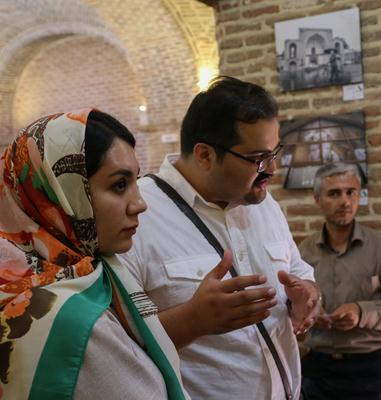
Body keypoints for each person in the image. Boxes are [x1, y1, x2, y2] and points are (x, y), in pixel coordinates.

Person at [118, 76, 320, 400]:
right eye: (258, 158)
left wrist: (307, 295)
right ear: (204, 155)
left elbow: (298, 271)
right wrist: (193, 320)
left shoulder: (265, 203)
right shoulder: (136, 215)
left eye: (275, 152)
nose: (272, 169)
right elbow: (117, 347)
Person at [0, 110, 188, 399]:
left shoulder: (86, 275)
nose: (140, 204)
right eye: (119, 185)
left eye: (136, 181)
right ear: (62, 194)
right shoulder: (72, 321)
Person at [298, 162, 381, 400]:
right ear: (317, 199)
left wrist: (361, 312)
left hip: (369, 367)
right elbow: (292, 304)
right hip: (316, 366)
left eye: (351, 192)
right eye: (334, 193)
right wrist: (308, 314)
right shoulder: (303, 252)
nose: (345, 201)